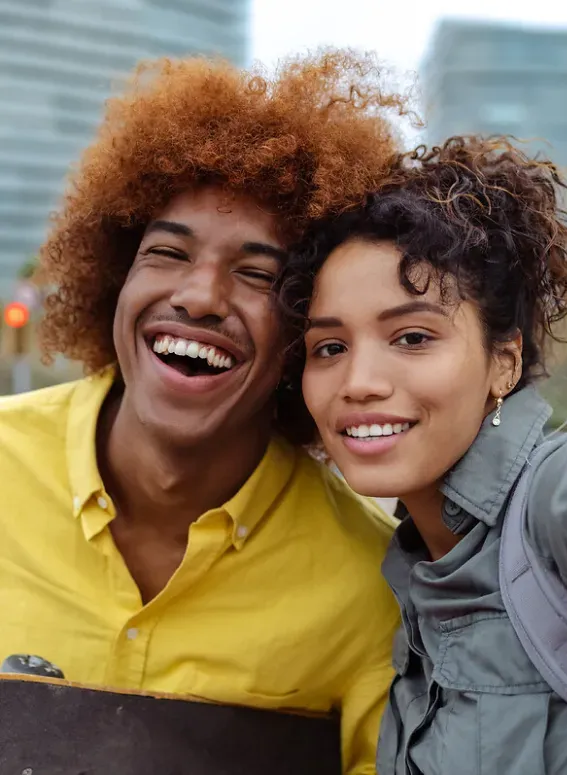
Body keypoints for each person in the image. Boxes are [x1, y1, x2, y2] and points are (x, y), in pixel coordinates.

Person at [0, 51, 410, 773]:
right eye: (167, 252)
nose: (198, 297)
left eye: (256, 273)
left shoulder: (370, 585)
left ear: (308, 330)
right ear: (116, 274)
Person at [281, 136, 567, 773]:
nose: (358, 382)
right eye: (329, 348)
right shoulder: (410, 584)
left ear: (504, 362)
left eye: (412, 337)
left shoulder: (561, 507)